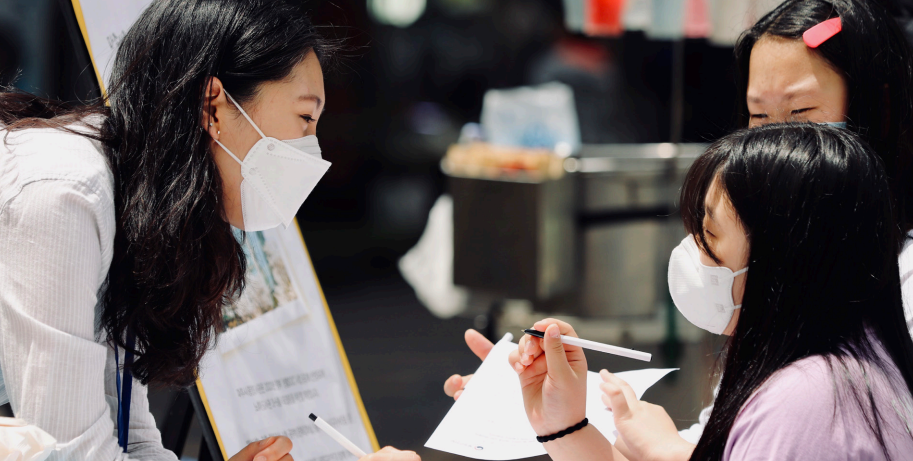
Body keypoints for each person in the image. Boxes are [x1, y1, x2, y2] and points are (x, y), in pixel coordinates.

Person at [444, 0, 913, 448]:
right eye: (758, 117)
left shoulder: (815, 387)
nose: (774, 142)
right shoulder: (784, 303)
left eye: (801, 115)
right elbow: (719, 441)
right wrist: (558, 420)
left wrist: (662, 446)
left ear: (880, 108)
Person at [0, 0, 419, 460]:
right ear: (213, 106)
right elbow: (71, 451)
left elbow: (129, 437)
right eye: (305, 118)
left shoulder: (134, 207)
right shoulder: (66, 194)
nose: (311, 152)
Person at [511, 123, 913, 460]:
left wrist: (665, 447)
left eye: (709, 234)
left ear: (782, 258)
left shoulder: (804, 406)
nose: (693, 251)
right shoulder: (843, 372)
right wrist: (563, 426)